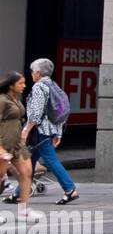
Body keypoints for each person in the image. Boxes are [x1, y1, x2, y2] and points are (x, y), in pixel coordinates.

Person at [21, 58, 77, 205]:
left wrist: (26, 129)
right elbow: (60, 112)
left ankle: (70, 189)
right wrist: (58, 133)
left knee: (50, 160)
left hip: (40, 131)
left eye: (32, 72)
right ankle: (19, 193)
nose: (31, 74)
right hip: (49, 130)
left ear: (38, 73)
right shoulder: (53, 85)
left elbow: (36, 113)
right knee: (31, 160)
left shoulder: (39, 87)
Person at [0, 72, 36, 220]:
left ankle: (24, 210)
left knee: (27, 173)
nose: (24, 86)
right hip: (4, 142)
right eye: (21, 83)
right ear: (11, 85)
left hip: (17, 143)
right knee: (1, 178)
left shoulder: (15, 99)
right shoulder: (2, 100)